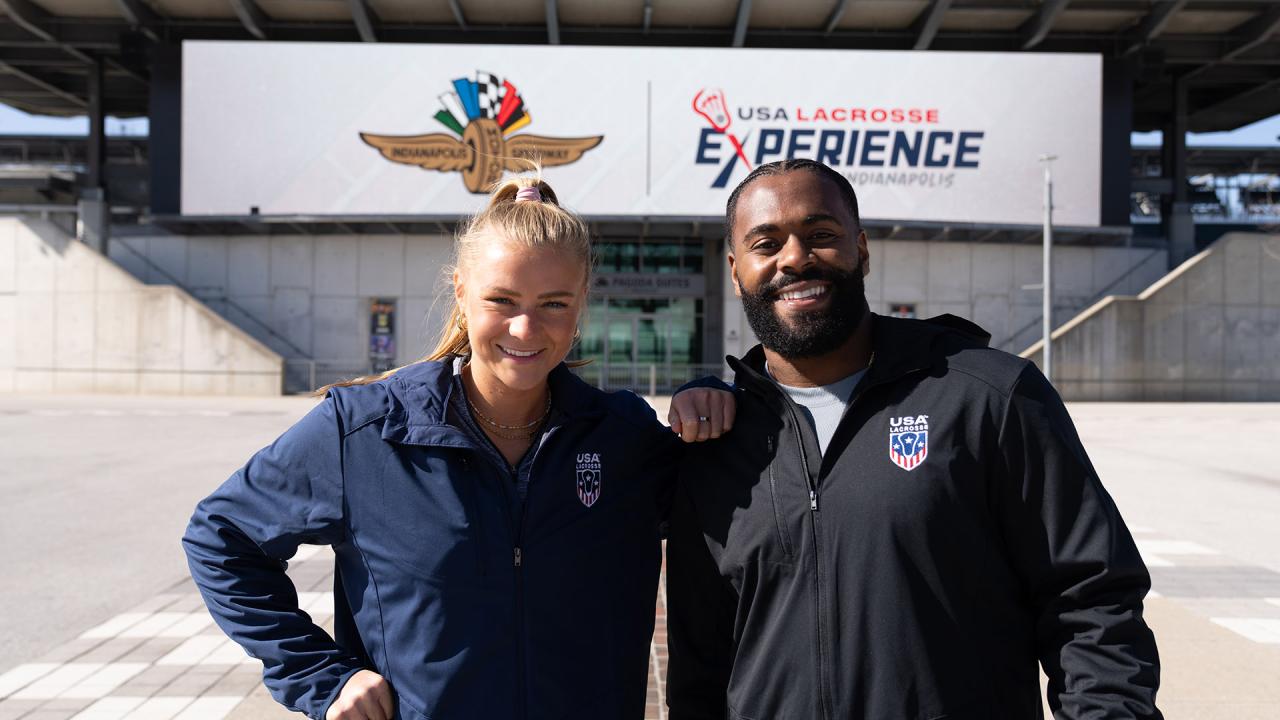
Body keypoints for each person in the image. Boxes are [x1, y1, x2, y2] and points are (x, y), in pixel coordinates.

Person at [183, 176, 734, 720]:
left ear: (583, 301)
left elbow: (744, 517)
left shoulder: (625, 439)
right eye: (502, 299)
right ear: (461, 292)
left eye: (554, 304)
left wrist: (709, 399)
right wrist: (318, 676)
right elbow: (220, 536)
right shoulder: (364, 432)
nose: (525, 328)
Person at [665, 159, 1163, 720]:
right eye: (766, 243)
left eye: (821, 235)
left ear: (863, 249)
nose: (795, 257)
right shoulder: (714, 444)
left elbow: (1091, 601)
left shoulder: (988, 396)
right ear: (736, 271)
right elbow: (699, 662)